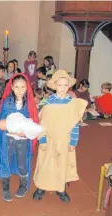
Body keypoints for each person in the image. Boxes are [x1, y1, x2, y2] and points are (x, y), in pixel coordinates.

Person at [33, 70, 87, 203]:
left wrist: (73, 141)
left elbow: (75, 124)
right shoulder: (48, 103)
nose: (62, 88)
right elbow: (41, 123)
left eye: (65, 85)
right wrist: (43, 139)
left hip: (65, 140)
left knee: (62, 164)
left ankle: (60, 188)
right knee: (46, 163)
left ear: (69, 86)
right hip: (49, 139)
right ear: (55, 86)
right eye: (59, 85)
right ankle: (41, 186)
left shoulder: (72, 103)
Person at [0, 74, 39, 202]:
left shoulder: (29, 102)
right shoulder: (7, 101)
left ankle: (23, 185)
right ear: (12, 87)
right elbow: (2, 118)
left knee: (22, 162)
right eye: (17, 87)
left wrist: (25, 131)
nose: (19, 90)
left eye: (22, 87)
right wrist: (7, 126)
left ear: (27, 87)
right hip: (8, 137)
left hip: (22, 139)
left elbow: (33, 119)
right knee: (6, 160)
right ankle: (6, 187)